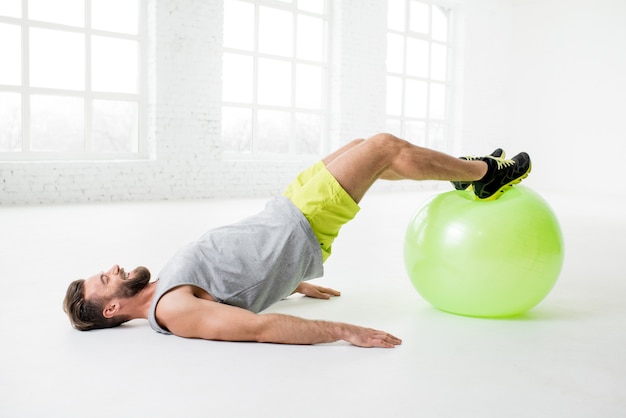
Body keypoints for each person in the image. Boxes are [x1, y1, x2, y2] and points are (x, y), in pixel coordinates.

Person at [63, 133, 531, 348]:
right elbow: (257, 327)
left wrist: (290, 282)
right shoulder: (172, 311)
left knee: (366, 144)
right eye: (104, 279)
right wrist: (345, 332)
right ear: (110, 309)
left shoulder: (163, 287)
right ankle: (486, 175)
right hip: (305, 221)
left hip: (288, 205)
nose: (113, 268)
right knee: (384, 148)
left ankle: (464, 171)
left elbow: (235, 279)